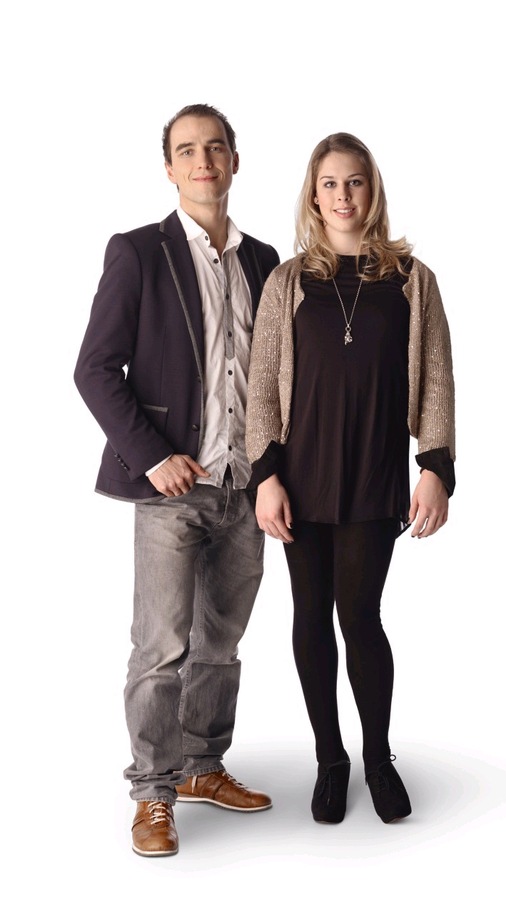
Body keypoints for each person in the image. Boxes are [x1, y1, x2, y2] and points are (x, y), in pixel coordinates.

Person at [74, 104, 280, 857]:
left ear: (234, 160)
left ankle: (201, 766)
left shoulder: (265, 262)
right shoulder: (138, 252)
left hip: (245, 487)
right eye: (187, 150)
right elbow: (95, 369)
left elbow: (276, 377)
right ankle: (152, 794)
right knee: (160, 647)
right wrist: (152, 455)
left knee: (220, 643)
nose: (203, 161)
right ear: (169, 167)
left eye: (215, 147)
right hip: (170, 489)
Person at [245, 132, 455, 825]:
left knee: (360, 616)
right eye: (330, 183)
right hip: (299, 478)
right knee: (310, 616)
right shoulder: (286, 282)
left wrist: (435, 466)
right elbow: (261, 390)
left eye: (355, 182)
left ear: (373, 190)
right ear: (314, 195)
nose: (343, 196)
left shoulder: (412, 280)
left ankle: (378, 757)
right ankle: (330, 759)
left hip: (373, 473)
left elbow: (436, 379)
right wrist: (265, 477)